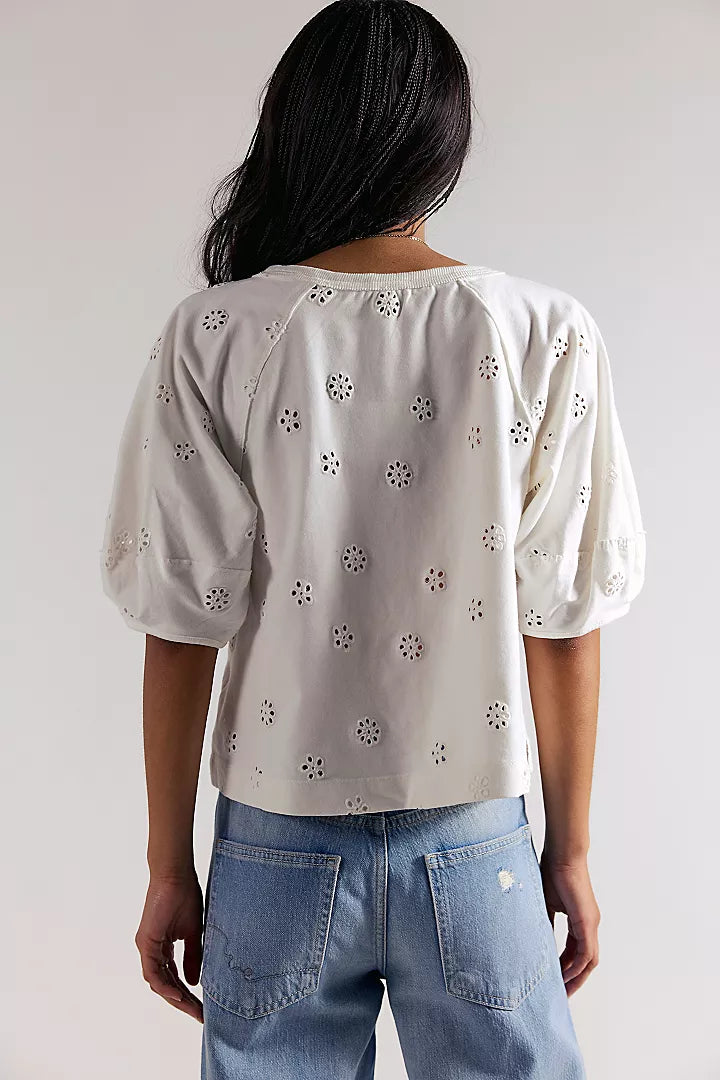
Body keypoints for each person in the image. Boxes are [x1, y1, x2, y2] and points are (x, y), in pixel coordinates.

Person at [100, 2, 646, 1077]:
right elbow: (564, 619)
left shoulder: (217, 333)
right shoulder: (543, 331)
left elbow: (180, 624)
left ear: (295, 130)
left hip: (275, 842)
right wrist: (570, 851)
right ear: (444, 142)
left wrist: (169, 866)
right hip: (475, 839)